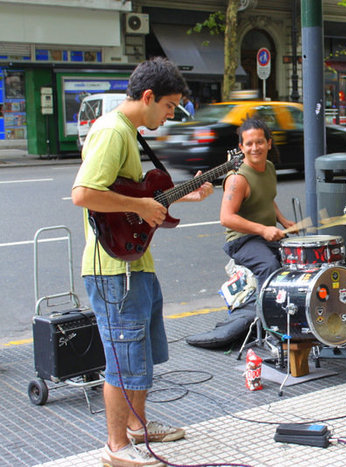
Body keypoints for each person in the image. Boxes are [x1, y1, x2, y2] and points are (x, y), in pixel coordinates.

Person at [71, 57, 214, 467]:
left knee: (143, 355)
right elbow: (84, 194)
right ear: (148, 97)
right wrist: (140, 204)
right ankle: (116, 448)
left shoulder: (130, 132)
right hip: (113, 270)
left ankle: (137, 427)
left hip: (135, 264)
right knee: (123, 358)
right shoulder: (113, 132)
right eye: (169, 106)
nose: (171, 115)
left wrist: (189, 194)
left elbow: (142, 199)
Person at [220, 118, 296, 291]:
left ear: (269, 144)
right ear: (241, 148)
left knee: (296, 261)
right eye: (249, 144)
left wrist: (283, 221)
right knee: (269, 267)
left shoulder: (268, 167)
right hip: (242, 240)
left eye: (260, 142)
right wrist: (263, 229)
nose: (255, 148)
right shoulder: (237, 179)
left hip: (265, 237)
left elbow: (266, 198)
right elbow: (226, 218)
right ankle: (265, 315)